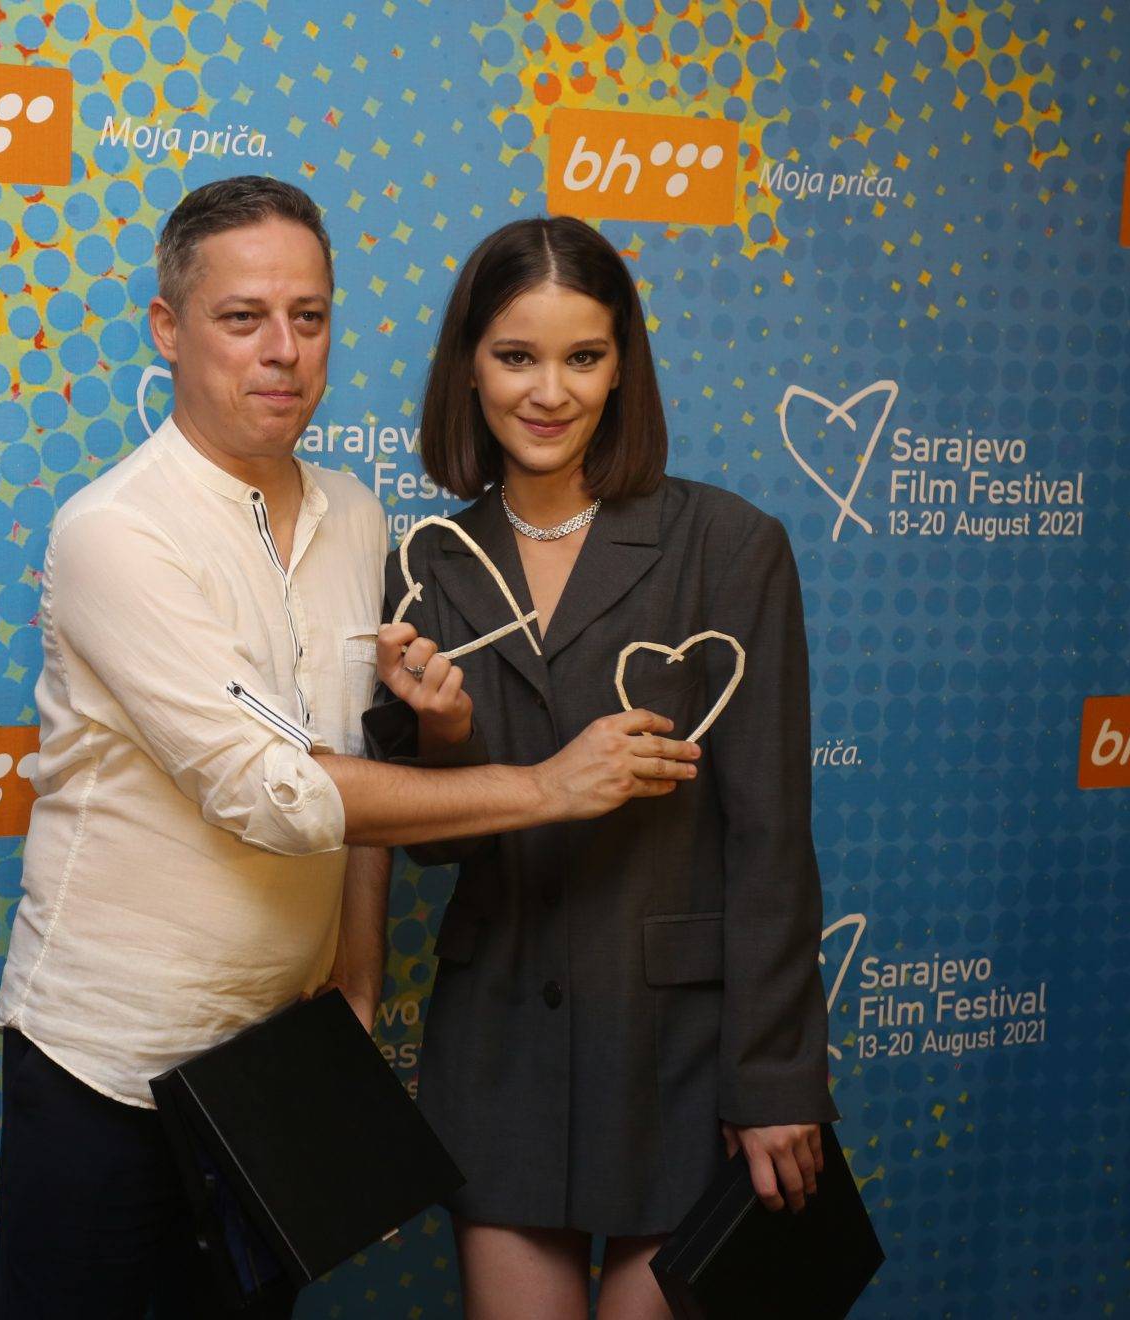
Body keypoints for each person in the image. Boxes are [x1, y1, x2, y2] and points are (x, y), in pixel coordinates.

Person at [0, 179, 702, 1319]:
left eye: (308, 317)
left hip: (276, 1071)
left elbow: (354, 765)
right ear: (168, 328)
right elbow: (271, 791)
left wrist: (360, 976)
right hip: (108, 1070)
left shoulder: (360, 518)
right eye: (242, 318)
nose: (283, 350)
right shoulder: (114, 532)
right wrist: (546, 786)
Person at [364, 215, 838, 1319]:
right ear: (468, 367)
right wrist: (443, 738)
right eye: (515, 356)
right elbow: (426, 852)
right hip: (498, 1047)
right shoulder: (425, 565)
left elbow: (771, 836)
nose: (550, 391)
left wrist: (774, 1078)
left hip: (680, 1051)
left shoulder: (730, 546)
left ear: (623, 367)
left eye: (583, 356)